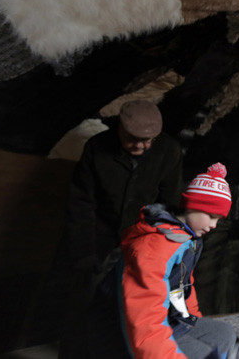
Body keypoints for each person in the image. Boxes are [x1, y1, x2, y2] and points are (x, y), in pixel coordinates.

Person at [60, 99, 184, 358]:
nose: (140, 145)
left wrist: (154, 245)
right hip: (98, 228)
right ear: (119, 129)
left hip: (141, 232)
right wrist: (84, 252)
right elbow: (81, 203)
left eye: (147, 140)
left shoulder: (169, 151)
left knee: (135, 298)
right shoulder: (96, 148)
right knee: (80, 295)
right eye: (132, 139)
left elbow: (169, 204)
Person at [119, 162, 238, 358]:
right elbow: (144, 320)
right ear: (192, 206)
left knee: (223, 333)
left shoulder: (187, 238)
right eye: (211, 216)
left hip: (169, 317)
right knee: (202, 354)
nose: (214, 225)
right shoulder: (155, 248)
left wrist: (192, 320)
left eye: (219, 219)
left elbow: (182, 285)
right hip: (128, 327)